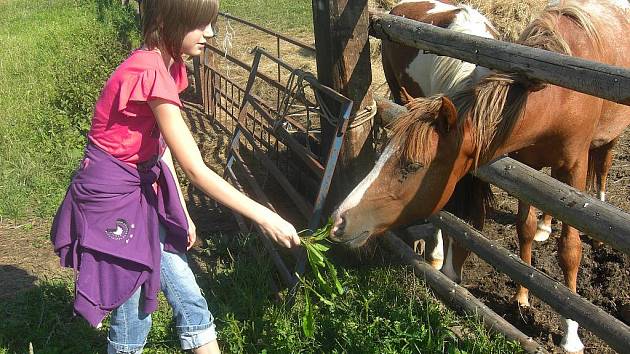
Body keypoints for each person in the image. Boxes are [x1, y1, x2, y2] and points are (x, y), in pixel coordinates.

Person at [50, 0, 300, 353]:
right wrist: (265, 216)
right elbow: (196, 169)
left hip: (140, 186)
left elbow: (159, 145)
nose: (210, 33)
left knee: (187, 294)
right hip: (113, 199)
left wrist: (179, 210)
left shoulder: (167, 64)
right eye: (200, 24)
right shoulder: (150, 71)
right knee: (133, 310)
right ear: (168, 21)